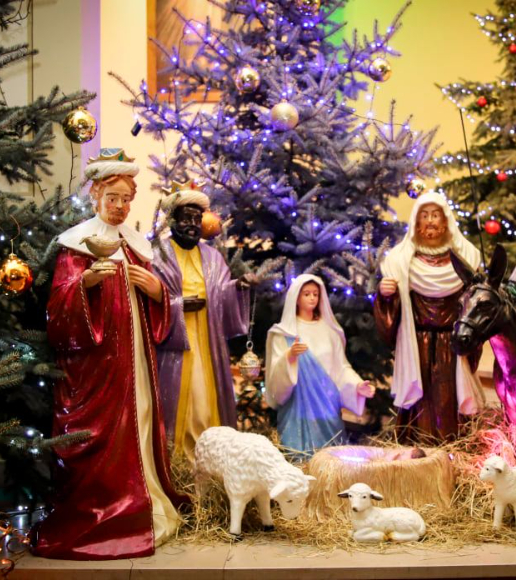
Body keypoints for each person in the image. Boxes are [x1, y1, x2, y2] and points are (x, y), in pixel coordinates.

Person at [35, 148, 186, 560]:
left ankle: (146, 501)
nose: (119, 206)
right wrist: (84, 284)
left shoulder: (136, 246)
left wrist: (156, 291)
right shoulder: (76, 244)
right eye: (112, 198)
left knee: (139, 419)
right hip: (96, 364)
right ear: (95, 197)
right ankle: (103, 510)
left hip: (135, 360)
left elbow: (159, 300)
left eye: (126, 199)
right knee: (99, 431)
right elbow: (58, 307)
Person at [154, 188, 255, 461]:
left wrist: (238, 287)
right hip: (174, 345)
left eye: (197, 219)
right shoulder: (158, 254)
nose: (192, 225)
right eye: (186, 218)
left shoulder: (212, 257)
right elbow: (147, 301)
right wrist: (177, 306)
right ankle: (177, 458)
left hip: (208, 343)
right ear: (172, 220)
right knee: (183, 399)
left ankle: (211, 458)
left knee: (205, 399)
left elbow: (222, 292)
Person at [375, 192, 483, 441]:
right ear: (416, 221)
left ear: (445, 221)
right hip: (417, 344)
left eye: (435, 215)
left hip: (451, 345)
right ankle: (417, 444)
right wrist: (387, 296)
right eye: (425, 215)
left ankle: (453, 445)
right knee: (420, 401)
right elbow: (391, 309)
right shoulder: (400, 261)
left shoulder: (465, 259)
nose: (431, 221)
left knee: (449, 397)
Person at [264, 275, 376, 456]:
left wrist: (357, 385)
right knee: (301, 459)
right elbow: (276, 375)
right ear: (296, 298)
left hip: (327, 408)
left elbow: (341, 367)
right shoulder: (284, 333)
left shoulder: (330, 331)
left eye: (315, 294)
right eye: (306, 294)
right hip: (298, 409)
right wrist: (289, 357)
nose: (312, 298)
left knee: (331, 459)